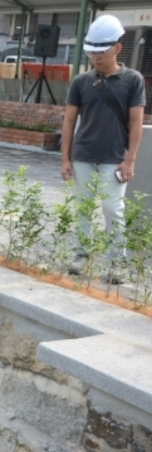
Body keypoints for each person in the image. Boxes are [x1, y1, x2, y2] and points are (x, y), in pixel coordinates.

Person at [61, 14, 146, 283]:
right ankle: (82, 255)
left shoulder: (133, 80)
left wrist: (130, 160)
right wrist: (65, 157)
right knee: (83, 208)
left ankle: (116, 262)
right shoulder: (81, 81)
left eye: (102, 51)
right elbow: (69, 120)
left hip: (114, 157)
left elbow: (136, 122)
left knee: (113, 209)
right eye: (92, 52)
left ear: (118, 48)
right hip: (83, 155)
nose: (96, 57)